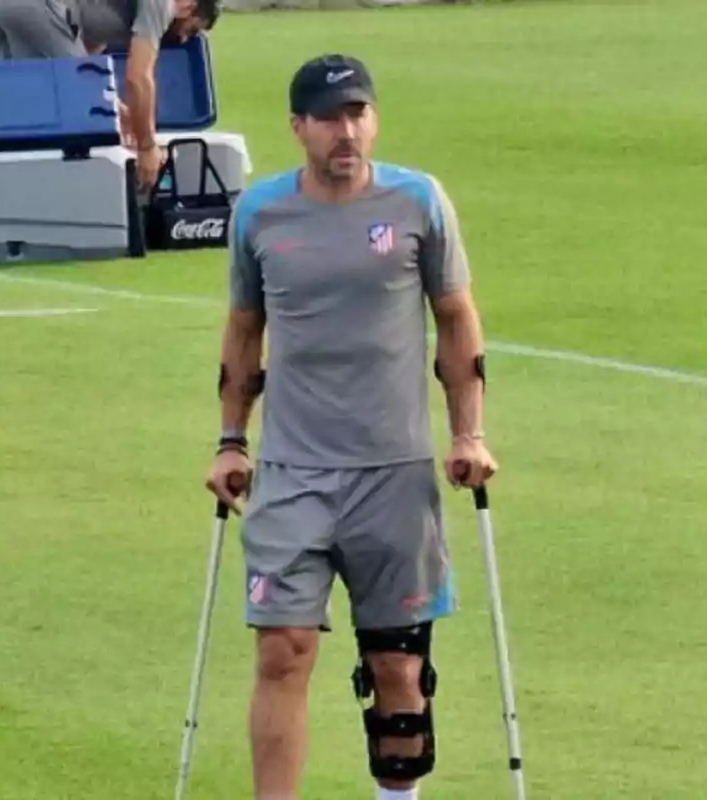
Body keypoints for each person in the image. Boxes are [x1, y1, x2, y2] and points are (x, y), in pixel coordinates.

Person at [204, 53, 497, 800]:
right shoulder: (260, 214)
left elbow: (456, 320)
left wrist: (468, 433)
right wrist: (232, 441)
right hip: (293, 473)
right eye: (330, 117)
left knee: (397, 664)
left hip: (393, 475)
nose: (347, 130)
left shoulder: (419, 202)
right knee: (283, 650)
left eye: (358, 114)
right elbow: (244, 332)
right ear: (298, 126)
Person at [0, 0, 220, 191]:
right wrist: (147, 146)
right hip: (35, 7)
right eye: (190, 29)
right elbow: (138, 77)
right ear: (188, 5)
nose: (183, 39)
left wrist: (119, 111)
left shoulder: (111, 14)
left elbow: (89, 62)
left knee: (11, 111)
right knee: (66, 109)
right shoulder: (162, 4)